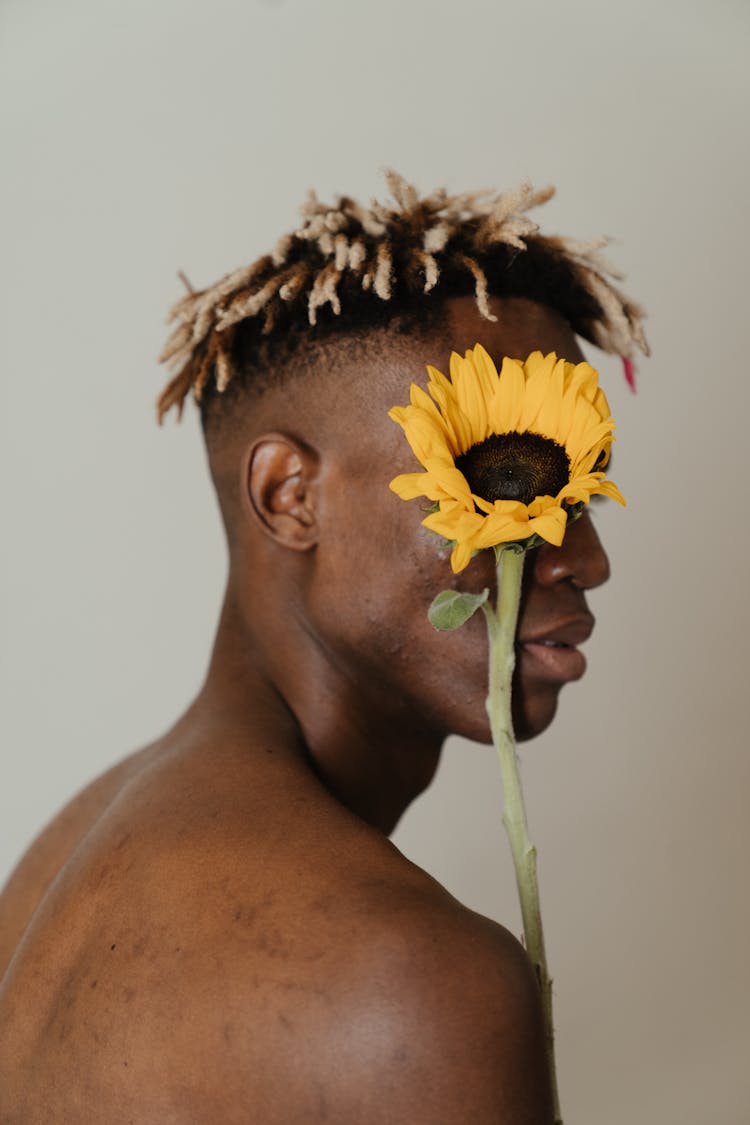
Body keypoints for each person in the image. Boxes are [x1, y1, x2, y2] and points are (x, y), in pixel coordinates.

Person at [0, 172, 646, 1122]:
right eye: (500, 481)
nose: (582, 556)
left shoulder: (58, 861)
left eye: (577, 491)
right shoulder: (418, 985)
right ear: (289, 497)